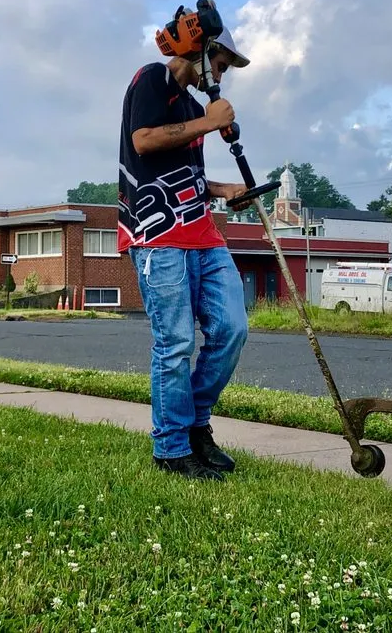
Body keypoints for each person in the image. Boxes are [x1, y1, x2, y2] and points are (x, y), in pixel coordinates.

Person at [117, 23, 252, 481]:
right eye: (218, 64)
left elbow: (187, 177)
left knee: (232, 327)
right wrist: (209, 123)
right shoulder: (151, 79)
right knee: (175, 343)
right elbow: (144, 141)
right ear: (198, 50)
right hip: (157, 234)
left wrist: (224, 189)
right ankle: (171, 447)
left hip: (203, 233)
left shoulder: (194, 106)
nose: (219, 75)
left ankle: (195, 425)